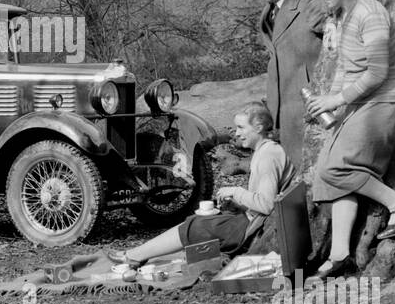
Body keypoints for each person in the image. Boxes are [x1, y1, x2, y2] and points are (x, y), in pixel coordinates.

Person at [305, 0, 395, 277]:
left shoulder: (371, 14)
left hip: (386, 103)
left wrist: (336, 100)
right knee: (326, 171)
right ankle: (340, 252)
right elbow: (345, 66)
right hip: (361, 104)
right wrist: (335, 103)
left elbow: (377, 73)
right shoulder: (342, 15)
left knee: (339, 167)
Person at [110, 103, 294, 268]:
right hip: (255, 221)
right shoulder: (267, 150)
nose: (236, 133)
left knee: (197, 225)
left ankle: (135, 256)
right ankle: (137, 254)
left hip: (256, 229)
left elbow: (267, 204)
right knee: (198, 220)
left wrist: (236, 192)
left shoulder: (268, 156)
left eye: (241, 127)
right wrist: (238, 204)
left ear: (259, 127)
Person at [247, 0, 327, 171]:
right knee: (290, 173)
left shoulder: (311, 5)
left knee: (313, 170)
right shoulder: (268, 13)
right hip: (280, 109)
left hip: (309, 106)